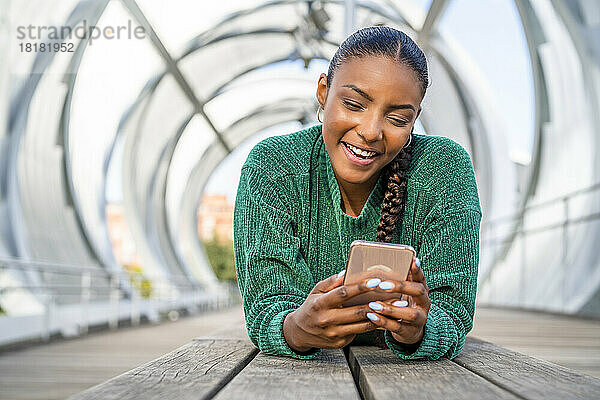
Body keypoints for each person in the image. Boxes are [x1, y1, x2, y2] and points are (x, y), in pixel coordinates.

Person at [233, 26, 481, 360]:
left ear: (415, 119)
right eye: (353, 104)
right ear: (324, 91)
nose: (370, 131)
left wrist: (419, 330)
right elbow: (267, 308)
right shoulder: (273, 166)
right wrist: (296, 329)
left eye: (397, 118)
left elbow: (453, 310)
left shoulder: (445, 170)